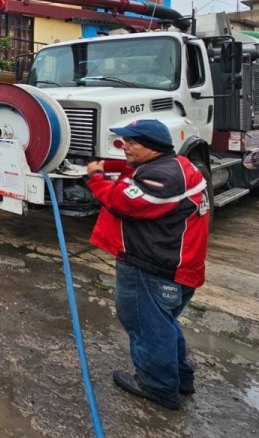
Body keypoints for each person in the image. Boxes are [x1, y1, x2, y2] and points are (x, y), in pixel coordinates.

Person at [85, 119, 209, 411]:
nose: (124, 146)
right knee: (163, 324)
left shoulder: (163, 177)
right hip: (175, 267)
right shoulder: (176, 164)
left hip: (153, 267)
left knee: (146, 326)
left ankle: (157, 386)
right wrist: (113, 168)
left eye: (131, 142)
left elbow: (121, 201)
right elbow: (133, 178)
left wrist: (95, 177)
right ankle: (179, 378)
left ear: (152, 146)